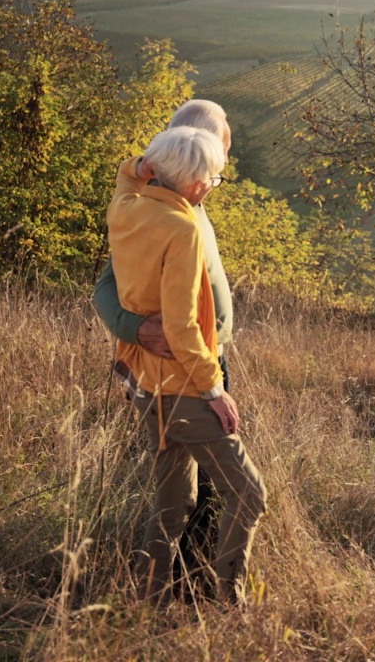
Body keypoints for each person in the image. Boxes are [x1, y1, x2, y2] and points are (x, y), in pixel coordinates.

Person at [108, 126, 266, 604]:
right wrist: (214, 390)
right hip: (182, 387)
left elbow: (126, 177)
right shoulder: (185, 228)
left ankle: (148, 601)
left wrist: (143, 163)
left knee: (173, 505)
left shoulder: (125, 209)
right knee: (249, 494)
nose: (210, 188)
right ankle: (228, 598)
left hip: (143, 384)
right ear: (196, 184)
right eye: (213, 180)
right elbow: (181, 326)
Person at [93, 99, 233, 595]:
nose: (218, 173)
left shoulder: (185, 207)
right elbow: (104, 289)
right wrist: (134, 328)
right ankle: (191, 588)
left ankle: (183, 585)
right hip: (179, 367)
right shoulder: (155, 215)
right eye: (215, 161)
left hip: (205, 360)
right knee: (209, 488)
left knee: (199, 487)